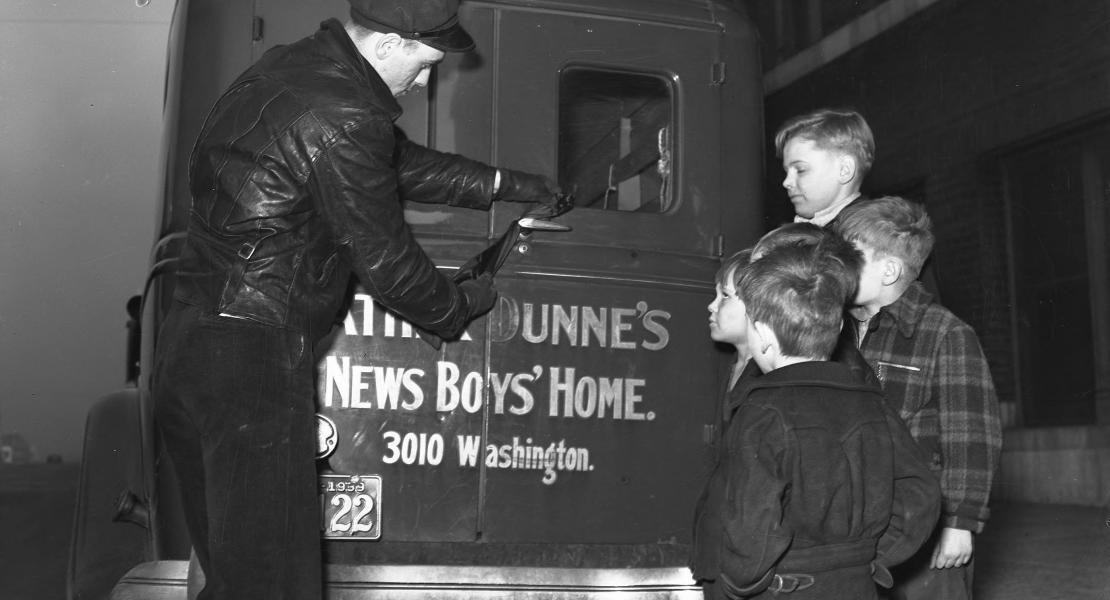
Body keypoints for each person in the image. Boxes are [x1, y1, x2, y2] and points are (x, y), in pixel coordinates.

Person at [152, 1, 563, 598]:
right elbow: (388, 263)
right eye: (426, 62)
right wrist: (456, 307)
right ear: (393, 41)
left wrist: (503, 185)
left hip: (192, 342)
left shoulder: (295, 68)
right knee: (273, 582)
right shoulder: (345, 112)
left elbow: (393, 162)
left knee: (233, 571)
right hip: (253, 355)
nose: (426, 81)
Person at [691, 238, 940, 599]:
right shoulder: (873, 403)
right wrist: (875, 557)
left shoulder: (762, 412)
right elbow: (921, 491)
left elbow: (752, 522)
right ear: (838, 329)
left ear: (761, 334)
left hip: (785, 588)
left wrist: (742, 582)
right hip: (856, 583)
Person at [832, 196, 1002, 600]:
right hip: (858, 519)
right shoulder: (834, 331)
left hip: (925, 522)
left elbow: (972, 437)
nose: (836, 267)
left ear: (890, 269)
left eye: (849, 257)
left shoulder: (946, 333)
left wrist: (959, 523)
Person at [775, 108, 874, 228]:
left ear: (844, 170)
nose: (786, 182)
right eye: (786, 172)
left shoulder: (869, 240)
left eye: (800, 170)